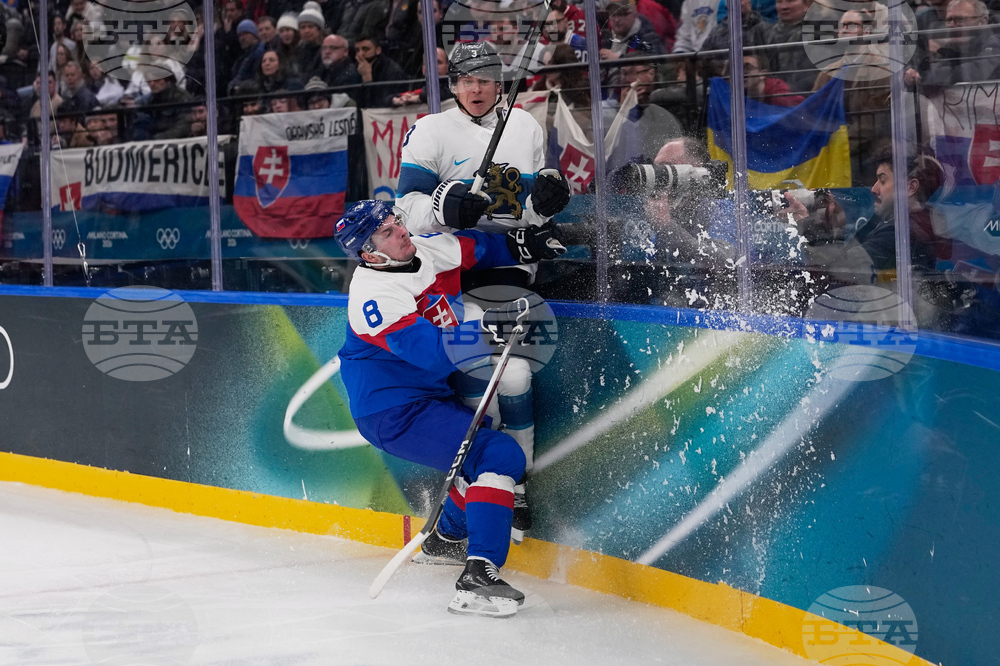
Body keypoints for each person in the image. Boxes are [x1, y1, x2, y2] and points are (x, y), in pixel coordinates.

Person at [334, 199, 563, 617]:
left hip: (431, 396)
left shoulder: (425, 249)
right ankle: (478, 577)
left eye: (395, 222)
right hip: (392, 413)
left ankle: (444, 539)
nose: (400, 231)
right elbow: (433, 354)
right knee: (500, 454)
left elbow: (479, 249)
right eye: (386, 232)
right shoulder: (373, 295)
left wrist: (524, 244)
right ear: (370, 254)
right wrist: (488, 329)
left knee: (486, 456)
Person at [396, 42, 572, 543]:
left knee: (513, 375)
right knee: (486, 380)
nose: (476, 89)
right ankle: (487, 479)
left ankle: (509, 485)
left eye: (486, 79)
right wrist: (443, 205)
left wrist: (546, 203)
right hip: (451, 270)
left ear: (500, 84)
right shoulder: (429, 130)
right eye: (465, 80)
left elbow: (531, 212)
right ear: (452, 85)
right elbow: (406, 209)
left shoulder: (524, 126)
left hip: (509, 266)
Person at [354, 32, 410, 108]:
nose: (360, 54)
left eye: (365, 49)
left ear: (378, 50)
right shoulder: (357, 68)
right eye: (357, 50)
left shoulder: (392, 70)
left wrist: (367, 79)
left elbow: (379, 103)